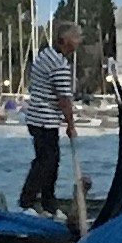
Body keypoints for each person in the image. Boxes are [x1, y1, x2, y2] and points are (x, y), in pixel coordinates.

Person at [17, 36, 80, 212]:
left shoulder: (44, 56)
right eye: (76, 37)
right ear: (66, 41)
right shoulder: (58, 64)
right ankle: (29, 201)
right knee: (47, 162)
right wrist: (70, 125)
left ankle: (48, 202)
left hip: (37, 118)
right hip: (45, 119)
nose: (79, 41)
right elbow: (63, 99)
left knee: (48, 161)